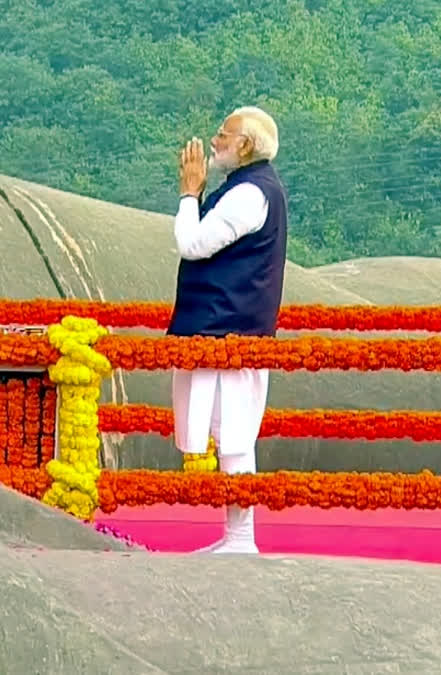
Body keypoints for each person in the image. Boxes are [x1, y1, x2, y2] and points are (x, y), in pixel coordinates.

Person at [167, 106, 288, 555]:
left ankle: (241, 539)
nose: (214, 141)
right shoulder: (250, 188)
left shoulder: (249, 194)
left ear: (245, 145)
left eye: (224, 134)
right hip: (227, 329)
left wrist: (188, 194)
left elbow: (192, 243)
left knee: (235, 435)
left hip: (230, 333)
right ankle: (235, 537)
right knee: (229, 433)